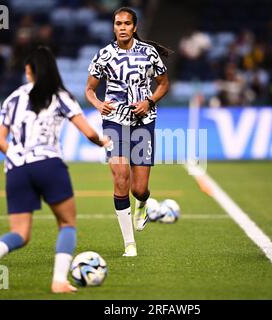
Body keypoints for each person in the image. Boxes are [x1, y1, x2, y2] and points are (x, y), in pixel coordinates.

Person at [0, 46, 110, 293]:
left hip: (16, 169)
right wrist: (103, 141)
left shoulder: (14, 97)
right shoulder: (59, 95)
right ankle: (59, 280)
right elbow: (88, 131)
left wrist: (18, 157)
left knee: (20, 233)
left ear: (29, 71)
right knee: (67, 223)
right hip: (49, 164)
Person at [85, 7, 170, 257]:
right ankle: (129, 243)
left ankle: (143, 203)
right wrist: (99, 104)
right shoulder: (104, 55)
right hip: (114, 121)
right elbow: (89, 89)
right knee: (120, 176)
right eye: (117, 23)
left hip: (143, 121)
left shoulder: (149, 53)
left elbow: (164, 83)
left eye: (126, 23)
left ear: (134, 27)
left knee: (138, 189)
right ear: (114, 27)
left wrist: (149, 102)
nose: (122, 27)